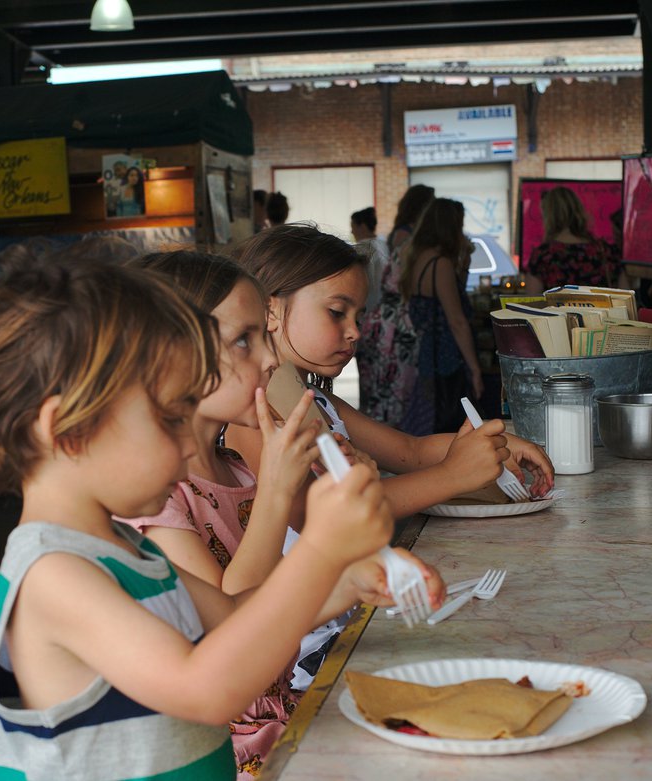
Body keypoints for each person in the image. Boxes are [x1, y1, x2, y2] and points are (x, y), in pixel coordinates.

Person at [0, 247, 436, 780]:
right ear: (67, 430)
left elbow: (235, 619)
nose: (190, 450)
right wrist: (321, 549)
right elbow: (207, 688)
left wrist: (347, 580)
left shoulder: (129, 550)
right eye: (170, 419)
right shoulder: (54, 572)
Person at [118, 251, 438, 778]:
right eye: (245, 340)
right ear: (170, 357)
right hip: (229, 753)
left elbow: (264, 610)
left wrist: (353, 583)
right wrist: (278, 496)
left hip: (279, 724)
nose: (270, 360)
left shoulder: (237, 471)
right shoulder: (157, 505)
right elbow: (229, 635)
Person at [227, 224, 554, 530]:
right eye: (337, 312)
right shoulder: (255, 416)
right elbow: (314, 519)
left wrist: (497, 443)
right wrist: (451, 475)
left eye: (359, 316)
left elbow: (411, 451)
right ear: (270, 311)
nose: (354, 331)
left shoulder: (320, 403)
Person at [396, 198, 482, 433]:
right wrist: (475, 369)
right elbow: (456, 320)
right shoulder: (440, 263)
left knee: (433, 419)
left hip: (427, 355)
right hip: (446, 358)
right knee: (453, 421)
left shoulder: (416, 258)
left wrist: (464, 262)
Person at [523, 186, 620, 291]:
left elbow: (533, 301)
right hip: (600, 307)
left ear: (548, 216)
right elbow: (625, 298)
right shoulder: (606, 251)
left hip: (556, 307)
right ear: (578, 209)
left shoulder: (542, 256)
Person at [350, 207, 389, 313]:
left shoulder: (361, 248)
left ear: (362, 226)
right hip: (386, 304)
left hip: (368, 306)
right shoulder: (384, 244)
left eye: (353, 227)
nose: (351, 231)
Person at [387, 184, 435, 254]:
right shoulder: (404, 234)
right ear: (421, 206)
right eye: (431, 204)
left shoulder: (420, 230)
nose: (433, 209)